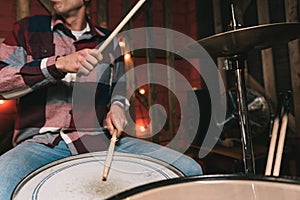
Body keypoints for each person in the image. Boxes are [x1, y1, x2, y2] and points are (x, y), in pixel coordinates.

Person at [0, 0, 202, 199]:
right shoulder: (28, 29)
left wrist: (118, 107)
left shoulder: (109, 41)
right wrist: (58, 64)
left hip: (99, 140)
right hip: (41, 143)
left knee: (189, 169)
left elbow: (120, 89)